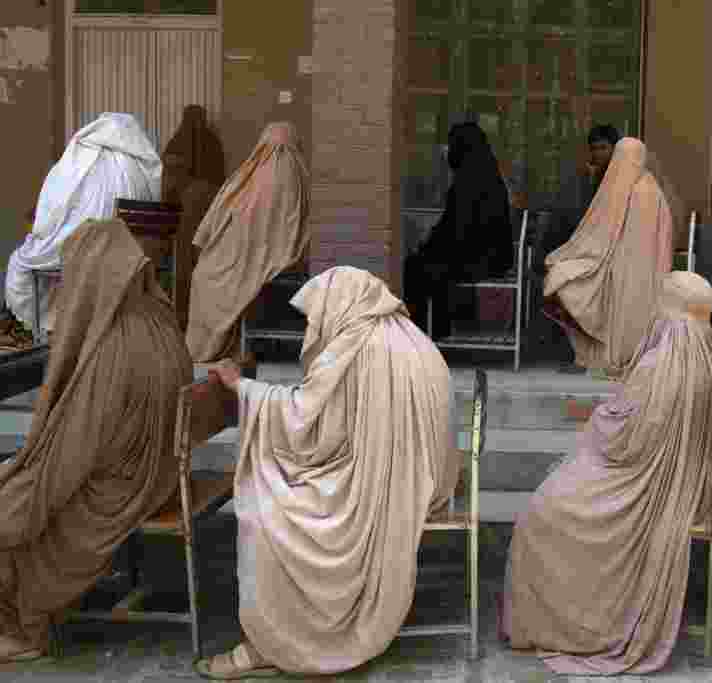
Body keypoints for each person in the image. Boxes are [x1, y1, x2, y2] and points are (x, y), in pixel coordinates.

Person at [196, 266, 460, 679]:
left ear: (338, 306)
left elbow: (307, 422)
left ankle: (277, 645)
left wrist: (240, 387)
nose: (312, 328)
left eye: (314, 317)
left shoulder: (355, 345)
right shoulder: (408, 336)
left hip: (377, 487)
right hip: (424, 480)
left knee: (267, 514)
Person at [501, 271, 712, 674]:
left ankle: (576, 630)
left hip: (637, 481)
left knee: (542, 514)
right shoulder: (709, 357)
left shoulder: (662, 364)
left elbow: (624, 443)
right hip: (673, 478)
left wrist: (602, 416)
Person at [0, 218, 192, 663]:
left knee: (14, 511)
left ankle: (21, 629)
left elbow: (69, 462)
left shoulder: (113, 348)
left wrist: (16, 491)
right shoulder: (156, 320)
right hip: (152, 474)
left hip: (117, 491)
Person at [5, 113, 162, 333]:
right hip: (136, 258)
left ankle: (53, 329)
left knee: (23, 261)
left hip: (91, 256)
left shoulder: (82, 160)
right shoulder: (142, 169)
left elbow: (53, 212)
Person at [543, 137, 674, 378]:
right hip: (645, 278)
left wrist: (570, 254)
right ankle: (597, 356)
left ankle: (590, 357)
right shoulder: (652, 188)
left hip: (617, 270)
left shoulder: (627, 188)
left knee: (562, 276)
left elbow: (601, 234)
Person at [186, 121, 310, 362]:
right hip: (278, 262)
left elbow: (217, 218)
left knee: (205, 277)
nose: (278, 158)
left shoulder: (246, 176)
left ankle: (212, 346)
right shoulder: (301, 177)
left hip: (242, 259)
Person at [403, 122, 512, 340]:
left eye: (452, 145)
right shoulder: (486, 175)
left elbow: (455, 229)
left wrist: (427, 246)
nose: (448, 151)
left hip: (482, 260)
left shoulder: (469, 181)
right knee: (429, 265)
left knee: (415, 268)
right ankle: (438, 330)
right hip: (492, 257)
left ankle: (423, 335)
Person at [534, 124, 621, 373]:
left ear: (615, 150)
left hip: (609, 256)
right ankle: (576, 353)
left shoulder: (620, 182)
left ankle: (582, 355)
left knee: (566, 280)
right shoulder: (587, 180)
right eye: (594, 149)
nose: (598, 154)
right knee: (560, 274)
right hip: (588, 250)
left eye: (604, 148)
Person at [161, 104, 226, 330]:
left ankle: (181, 317)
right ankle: (206, 321)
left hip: (184, 220)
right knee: (208, 268)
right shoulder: (214, 144)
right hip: (212, 218)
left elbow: (167, 187)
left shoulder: (176, 143)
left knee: (182, 266)